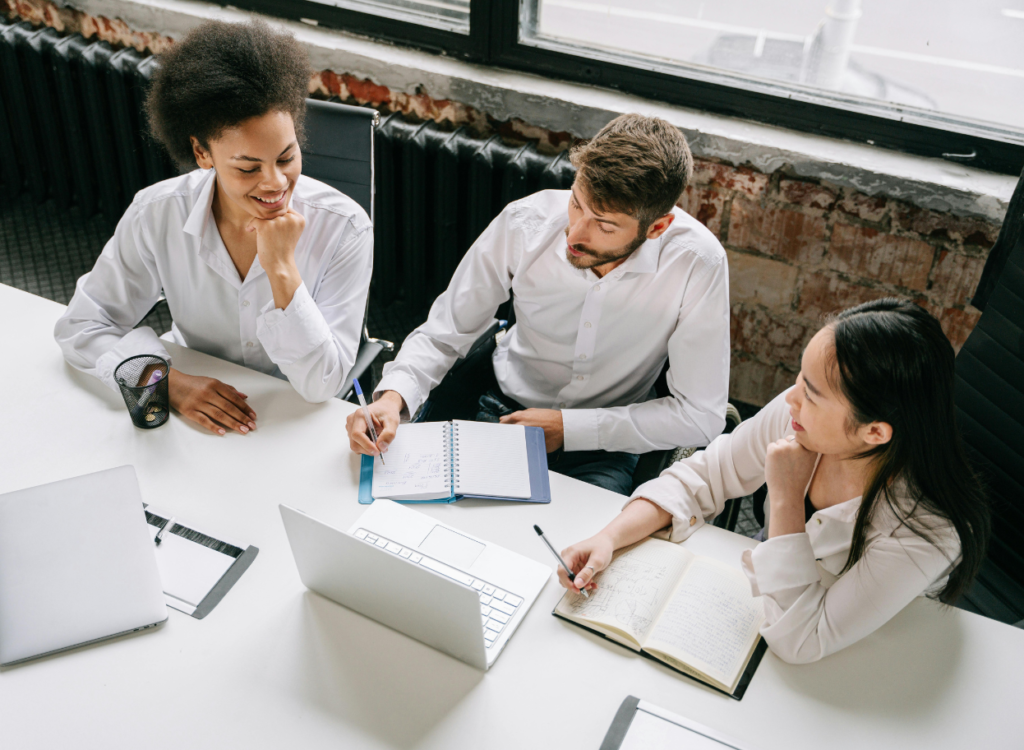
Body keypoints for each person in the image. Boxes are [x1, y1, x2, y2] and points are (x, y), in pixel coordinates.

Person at [555, 299, 989, 663]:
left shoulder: (926, 531)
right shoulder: (798, 416)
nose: (790, 398)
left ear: (874, 431)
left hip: (864, 661)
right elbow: (704, 476)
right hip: (757, 617)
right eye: (801, 377)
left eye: (812, 393)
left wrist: (784, 497)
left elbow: (802, 639)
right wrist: (610, 538)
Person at [346, 113, 731, 494]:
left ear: (657, 227)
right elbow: (444, 333)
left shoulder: (698, 264)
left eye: (605, 225)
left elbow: (701, 416)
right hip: (498, 408)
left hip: (606, 441)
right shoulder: (525, 222)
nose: (575, 234)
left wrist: (570, 430)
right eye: (577, 203)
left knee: (578, 550)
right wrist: (393, 396)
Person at [54, 20, 372, 435]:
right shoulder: (158, 212)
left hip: (292, 419)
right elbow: (83, 325)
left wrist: (281, 269)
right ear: (202, 153)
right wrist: (172, 385)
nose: (275, 182)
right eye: (248, 167)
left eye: (286, 156)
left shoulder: (346, 227)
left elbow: (323, 384)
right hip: (192, 414)